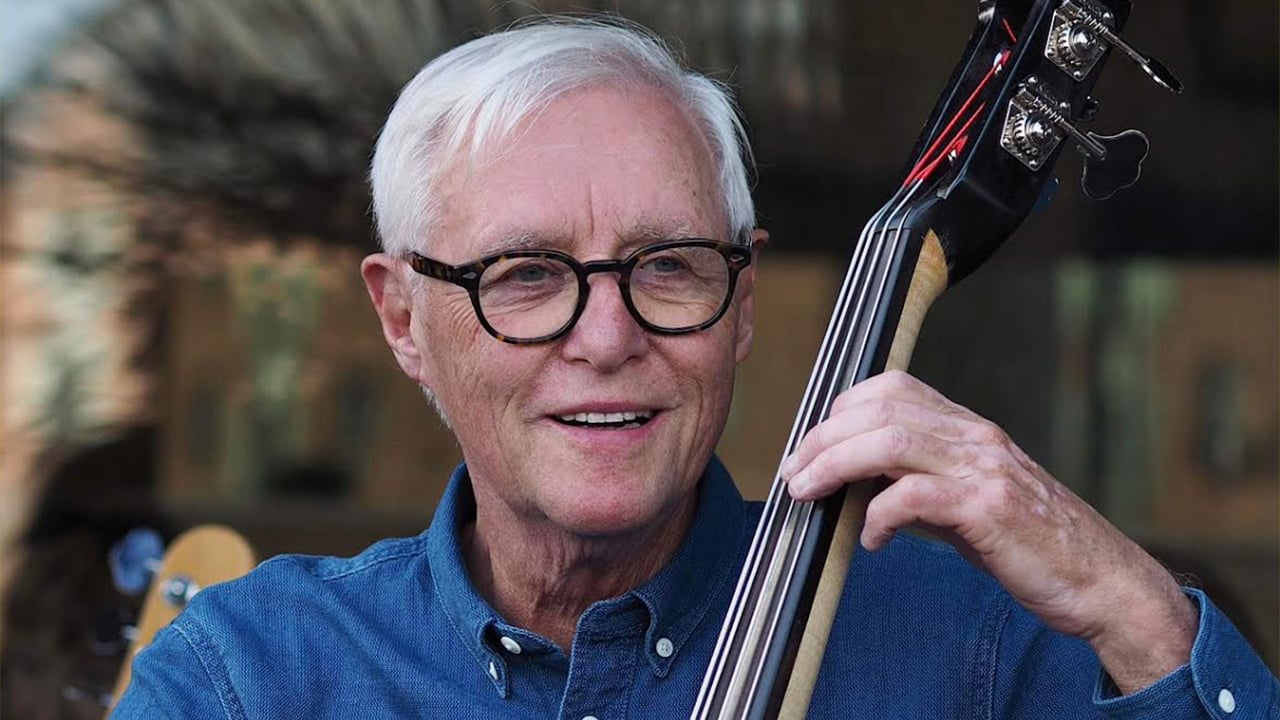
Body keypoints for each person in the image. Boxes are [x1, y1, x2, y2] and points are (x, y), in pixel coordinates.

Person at [112, 17, 1277, 719]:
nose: (605, 338)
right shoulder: (248, 679)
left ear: (741, 302)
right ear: (402, 317)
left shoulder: (977, 651)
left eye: (666, 267)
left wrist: (1125, 605)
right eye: (526, 275)